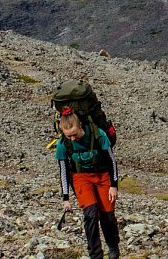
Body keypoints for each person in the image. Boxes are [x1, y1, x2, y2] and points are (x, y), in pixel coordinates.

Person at [55, 108, 120, 259]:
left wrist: (113, 185)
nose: (72, 139)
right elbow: (63, 170)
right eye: (68, 136)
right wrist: (66, 198)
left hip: (103, 176)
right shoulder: (62, 144)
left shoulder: (98, 135)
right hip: (80, 178)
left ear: (81, 126)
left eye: (74, 135)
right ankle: (95, 255)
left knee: (107, 216)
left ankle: (113, 247)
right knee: (90, 214)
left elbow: (112, 161)